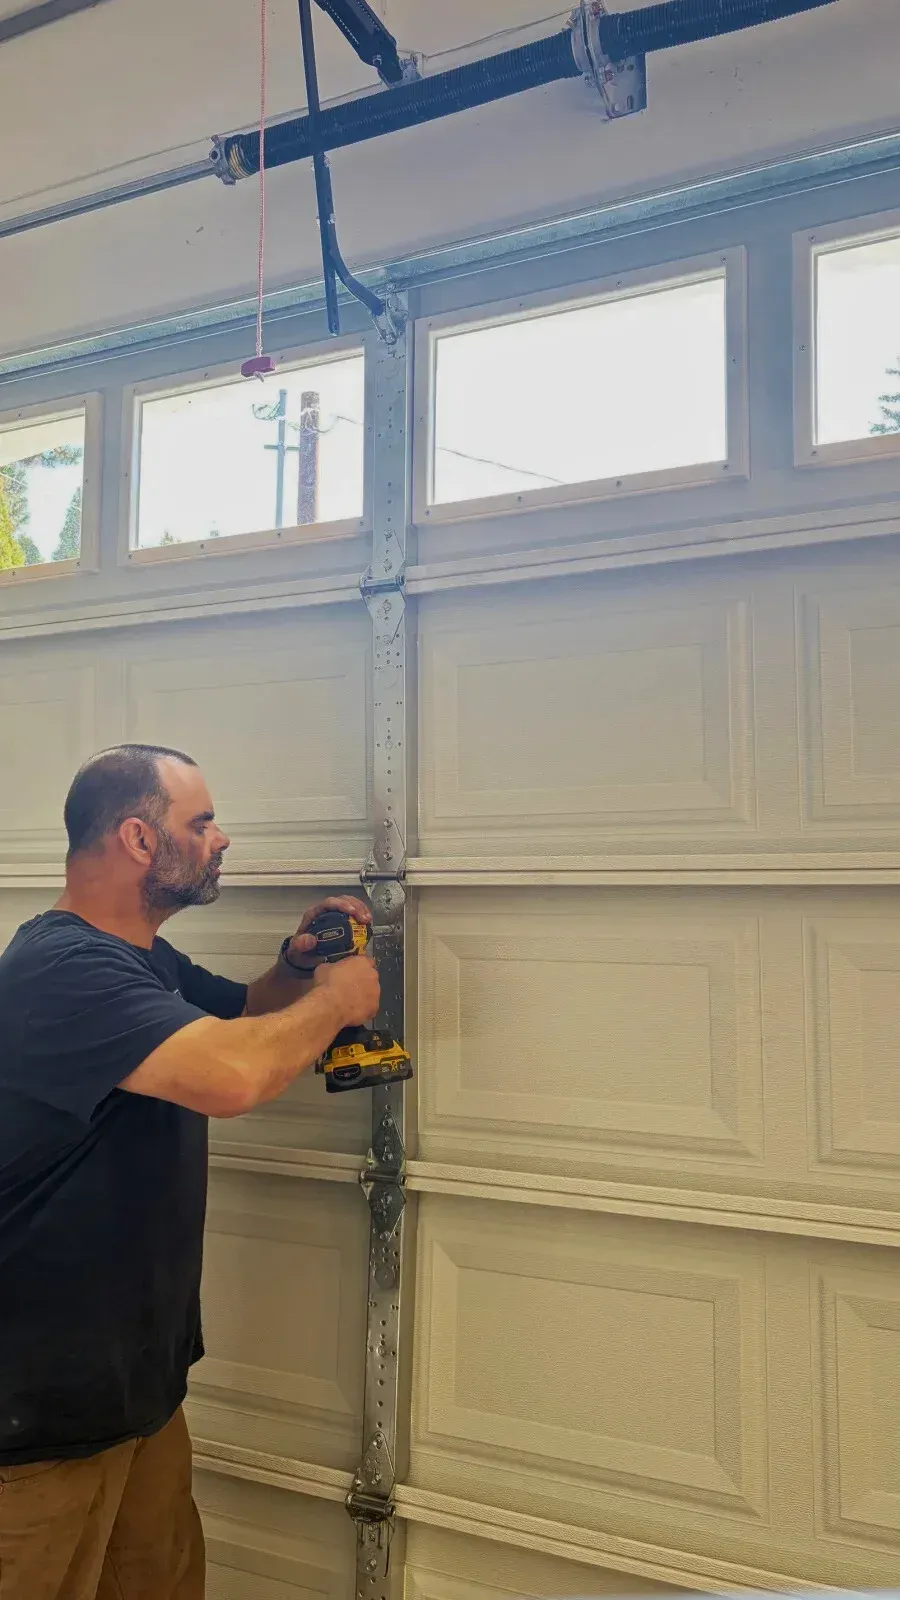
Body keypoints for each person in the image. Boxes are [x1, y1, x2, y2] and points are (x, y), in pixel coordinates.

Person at [0, 743, 380, 1600]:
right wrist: (337, 1000)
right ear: (139, 839)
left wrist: (296, 966)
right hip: (37, 1423)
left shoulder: (140, 961)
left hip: (137, 1395)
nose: (221, 839)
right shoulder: (60, 971)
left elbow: (242, 1019)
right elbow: (232, 1077)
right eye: (200, 822)